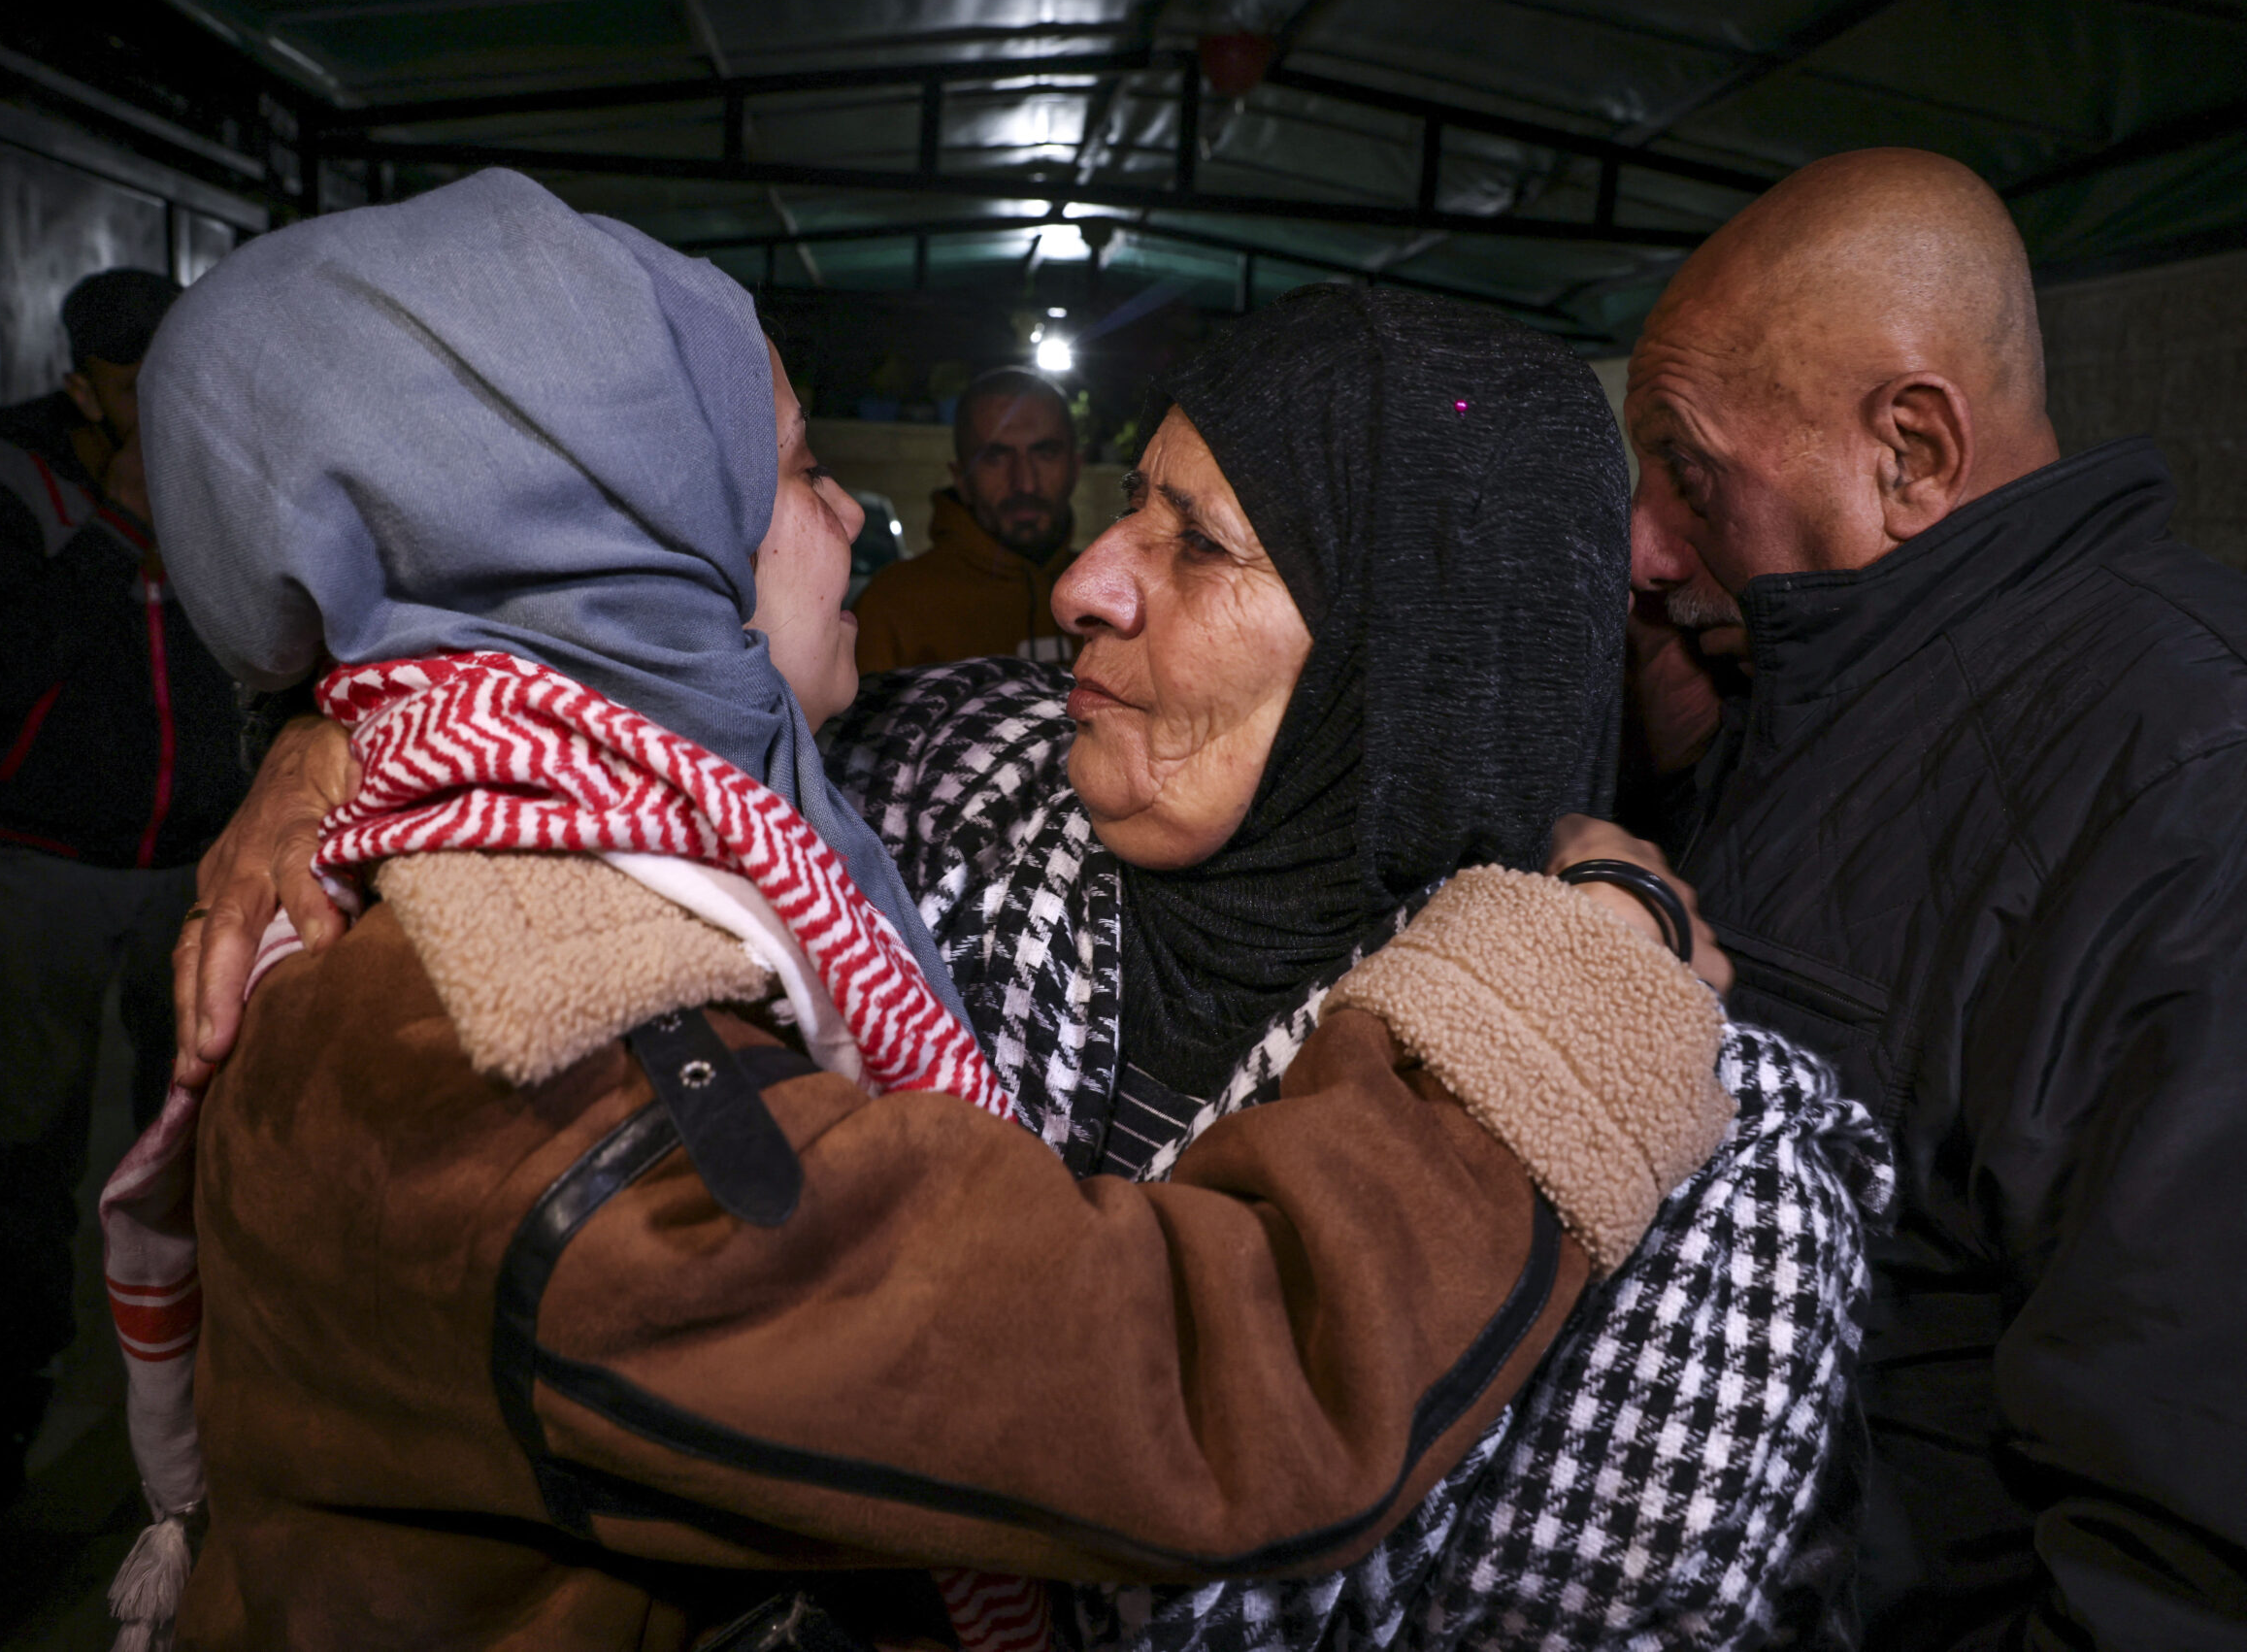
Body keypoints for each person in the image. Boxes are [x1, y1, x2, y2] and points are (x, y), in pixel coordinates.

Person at [117, 170, 1744, 1652]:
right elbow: (1199, 1390)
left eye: (1202, 541)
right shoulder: (531, 1071)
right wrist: (1561, 997)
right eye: (804, 474)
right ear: (616, 551)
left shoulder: (595, 816)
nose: (854, 528)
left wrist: (347, 719)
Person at [1622, 147, 2247, 1648]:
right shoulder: (1824, 689)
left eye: (1690, 474)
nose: (1644, 544)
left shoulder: (2183, 778)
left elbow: (2184, 1542)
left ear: (1910, 450)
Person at [0, 267, 248, 1509]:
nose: (160, 397)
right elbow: (4, 668)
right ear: (81, 383)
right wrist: (121, 523)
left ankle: (198, 1407)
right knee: (32, 1150)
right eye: (132, 378)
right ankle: (6, 1408)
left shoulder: (214, 470)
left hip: (188, 862)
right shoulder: (4, 482)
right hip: (43, 869)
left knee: (187, 1140)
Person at [848, 368, 1080, 673]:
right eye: (995, 458)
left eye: (1045, 453)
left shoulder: (1117, 600)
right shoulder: (891, 607)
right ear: (961, 479)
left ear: (1076, 467)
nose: (1025, 482)